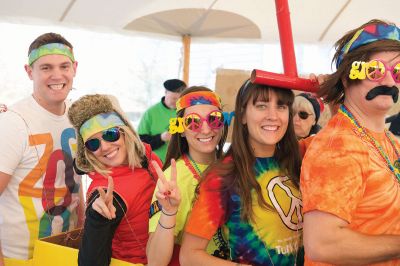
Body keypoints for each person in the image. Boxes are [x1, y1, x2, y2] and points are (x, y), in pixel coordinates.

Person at [301, 19, 400, 265]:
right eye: (374, 71)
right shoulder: (337, 147)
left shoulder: (388, 141)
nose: (388, 82)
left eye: (397, 71)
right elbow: (323, 243)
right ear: (347, 78)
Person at [180, 80, 303, 265]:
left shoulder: (300, 156)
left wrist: (333, 91)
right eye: (261, 106)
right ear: (243, 115)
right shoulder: (222, 177)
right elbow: (189, 256)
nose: (273, 116)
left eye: (281, 106)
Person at [0, 32, 84, 264]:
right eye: (46, 67)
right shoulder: (13, 122)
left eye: (64, 66)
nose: (57, 75)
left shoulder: (78, 118)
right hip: (19, 257)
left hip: (65, 250)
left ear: (74, 68)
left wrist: (83, 232)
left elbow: (76, 182)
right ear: (29, 72)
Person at [68, 94, 161, 266]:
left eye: (110, 134)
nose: (104, 147)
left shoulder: (147, 158)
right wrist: (97, 218)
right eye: (93, 144)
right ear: (88, 152)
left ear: (125, 132)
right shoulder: (106, 192)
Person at [146, 87, 229, 266]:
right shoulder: (173, 180)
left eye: (214, 119)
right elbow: (154, 262)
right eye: (193, 122)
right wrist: (169, 211)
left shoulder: (233, 167)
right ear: (181, 129)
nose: (206, 130)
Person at [138, 79, 187, 163]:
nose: (176, 102)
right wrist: (161, 138)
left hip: (180, 162)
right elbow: (139, 143)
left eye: (179, 99)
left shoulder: (185, 111)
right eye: (173, 98)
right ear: (165, 93)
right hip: (155, 163)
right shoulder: (151, 113)